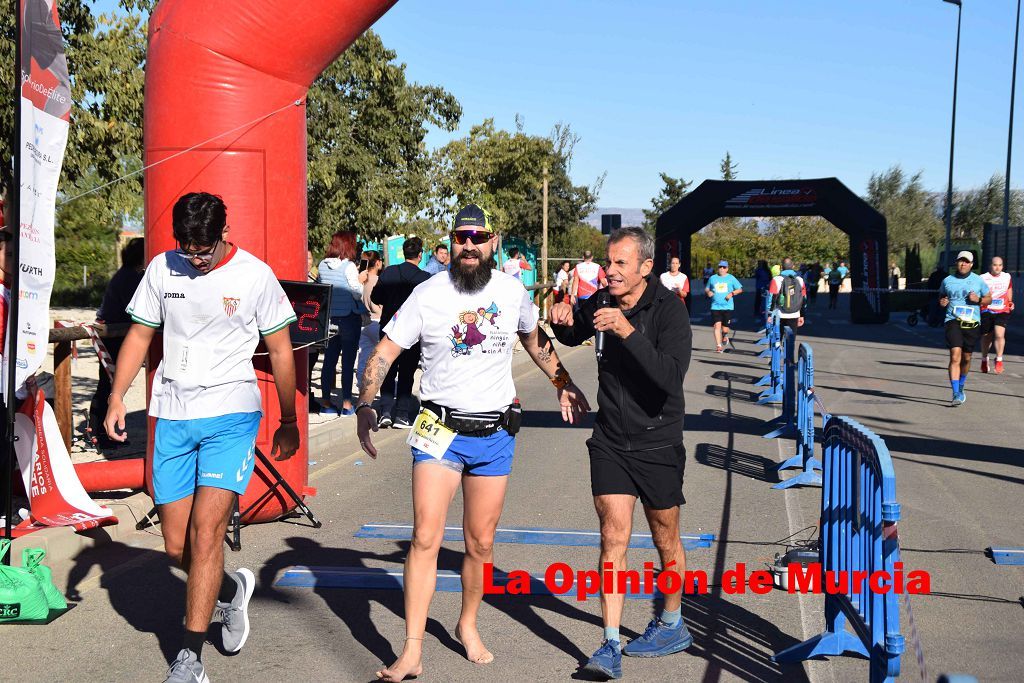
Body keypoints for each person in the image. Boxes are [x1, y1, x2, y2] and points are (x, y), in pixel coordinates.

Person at [355, 203, 590, 682]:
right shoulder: (428, 293)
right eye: (461, 237)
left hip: (494, 433)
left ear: (492, 242)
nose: (468, 245)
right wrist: (365, 404)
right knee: (424, 537)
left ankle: (467, 623)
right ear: (451, 241)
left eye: (477, 238)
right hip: (438, 430)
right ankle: (412, 650)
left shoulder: (511, 290)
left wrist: (563, 380)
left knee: (480, 544)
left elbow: (534, 338)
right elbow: (385, 350)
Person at [103, 192, 299, 683]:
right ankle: (231, 589)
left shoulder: (254, 275)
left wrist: (290, 419)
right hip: (172, 413)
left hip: (231, 414)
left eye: (203, 249)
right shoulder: (162, 269)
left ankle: (190, 658)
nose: (194, 257)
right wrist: (116, 396)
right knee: (175, 547)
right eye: (186, 247)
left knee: (206, 533)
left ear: (224, 232)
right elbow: (140, 336)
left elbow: (280, 350)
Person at [549, 227, 692, 679]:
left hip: (658, 440)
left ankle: (671, 621)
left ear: (646, 268)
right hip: (610, 439)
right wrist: (561, 318)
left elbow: (669, 377)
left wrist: (628, 331)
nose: (609, 271)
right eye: (608, 263)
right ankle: (610, 643)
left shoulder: (670, 313)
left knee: (665, 538)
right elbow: (574, 335)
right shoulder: (602, 302)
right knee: (613, 536)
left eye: (620, 264)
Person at [88, 238, 145, 448]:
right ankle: (100, 434)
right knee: (110, 384)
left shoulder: (128, 274)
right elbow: (138, 309)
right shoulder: (130, 277)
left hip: (114, 332)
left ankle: (98, 431)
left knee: (108, 383)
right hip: (112, 334)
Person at [371, 235, 430, 428]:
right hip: (413, 333)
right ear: (420, 255)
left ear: (404, 253)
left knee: (387, 369)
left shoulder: (388, 273)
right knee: (407, 372)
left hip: (388, 328)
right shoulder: (424, 279)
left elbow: (376, 296)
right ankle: (402, 415)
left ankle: (385, 411)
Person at [317, 231, 367, 415]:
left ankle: (326, 403)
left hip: (330, 318)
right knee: (347, 362)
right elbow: (356, 292)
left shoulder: (322, 265)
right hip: (349, 318)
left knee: (329, 361)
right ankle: (346, 403)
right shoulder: (349, 266)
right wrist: (362, 282)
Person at [938, 251, 991, 407]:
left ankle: (961, 386)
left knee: (966, 358)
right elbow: (941, 296)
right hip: (952, 320)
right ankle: (955, 393)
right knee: (955, 356)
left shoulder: (978, 281)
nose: (963, 264)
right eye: (961, 261)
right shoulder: (947, 280)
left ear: (972, 264)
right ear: (956, 263)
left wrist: (979, 299)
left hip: (972, 322)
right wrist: (942, 302)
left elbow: (989, 298)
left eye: (966, 262)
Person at [980, 256, 1013, 374]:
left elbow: (1009, 289)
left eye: (1000, 265)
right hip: (986, 309)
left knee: (999, 334)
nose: (997, 267)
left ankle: (999, 360)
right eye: (995, 265)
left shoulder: (1006, 276)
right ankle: (984, 359)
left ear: (1002, 266)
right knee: (986, 336)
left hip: (1002, 309)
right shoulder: (983, 278)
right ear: (990, 266)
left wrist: (1010, 301)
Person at [769, 257, 806, 360]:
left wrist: (769, 314)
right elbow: (804, 299)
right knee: (791, 339)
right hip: (794, 313)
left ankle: (775, 362)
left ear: (781, 267)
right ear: (793, 266)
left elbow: (771, 299)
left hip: (779, 314)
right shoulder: (800, 280)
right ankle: (789, 362)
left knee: (777, 339)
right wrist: (802, 315)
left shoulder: (776, 280)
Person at [357, 251, 384, 389]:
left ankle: (361, 387)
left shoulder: (359, 280)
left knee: (363, 359)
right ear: (378, 262)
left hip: (363, 323)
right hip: (378, 321)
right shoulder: (380, 281)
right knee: (383, 359)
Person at [705, 260, 743, 353]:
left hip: (727, 307)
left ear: (727, 269)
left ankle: (725, 335)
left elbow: (740, 289)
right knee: (716, 326)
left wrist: (732, 293)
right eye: (720, 267)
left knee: (725, 327)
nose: (722, 269)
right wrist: (708, 292)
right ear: (718, 268)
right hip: (715, 306)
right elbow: (707, 288)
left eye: (724, 267)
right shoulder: (712, 278)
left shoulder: (731, 278)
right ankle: (718, 346)